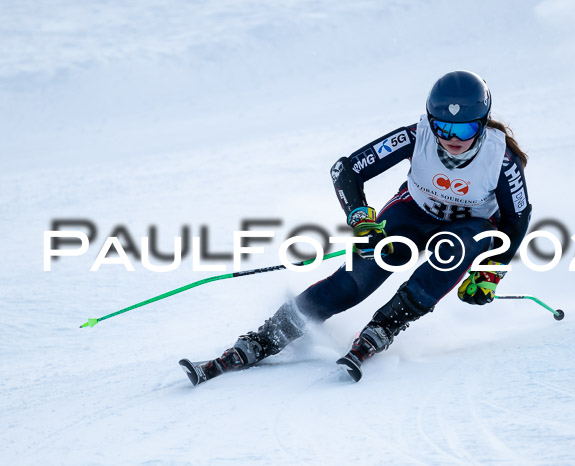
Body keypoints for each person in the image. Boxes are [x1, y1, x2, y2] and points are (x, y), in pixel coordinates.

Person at [182, 70, 532, 384]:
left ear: (483, 123)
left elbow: (517, 219)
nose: (452, 138)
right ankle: (265, 337)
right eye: (443, 126)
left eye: (466, 128)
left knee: (453, 249)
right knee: (353, 282)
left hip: (469, 226)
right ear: (430, 120)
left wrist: (492, 269)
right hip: (413, 214)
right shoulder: (416, 136)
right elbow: (345, 170)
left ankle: (387, 325)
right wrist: (361, 219)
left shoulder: (501, 160)